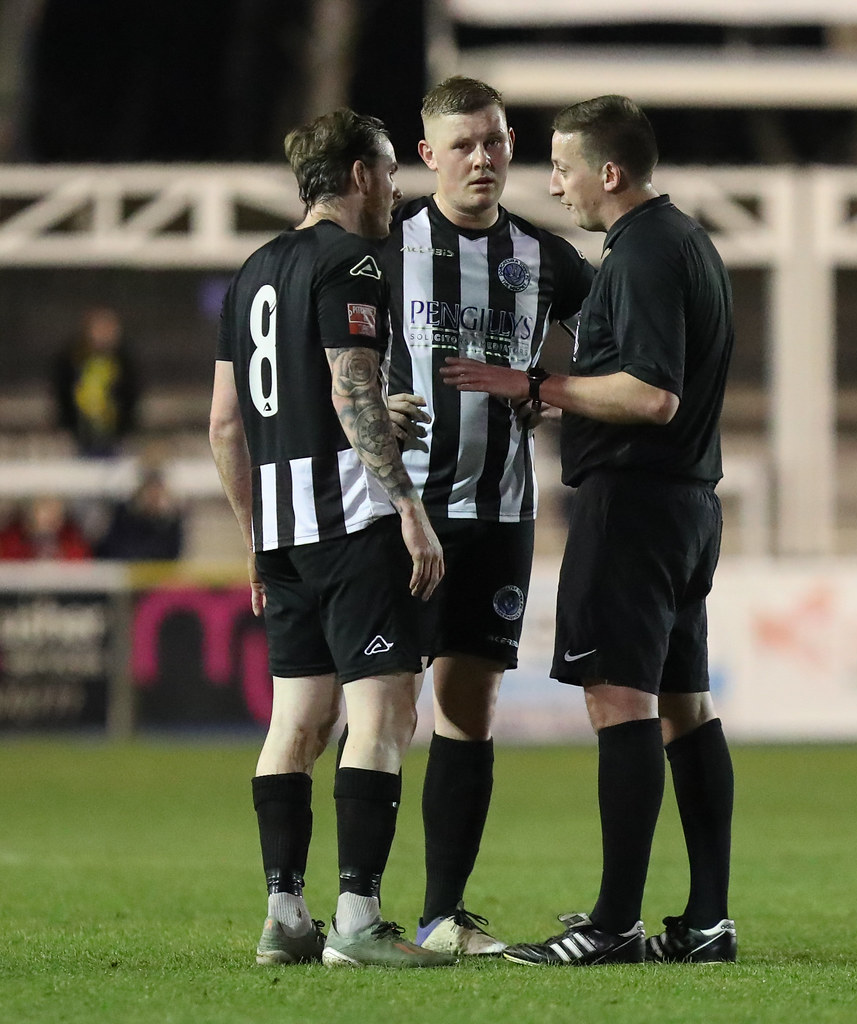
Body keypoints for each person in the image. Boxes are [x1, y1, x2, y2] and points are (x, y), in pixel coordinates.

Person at [441, 94, 737, 966]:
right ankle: (708, 921)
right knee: (686, 708)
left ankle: (613, 924)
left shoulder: (642, 252)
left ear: (609, 173)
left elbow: (649, 393)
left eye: (564, 166)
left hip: (635, 504)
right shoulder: (687, 241)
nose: (554, 183)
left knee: (622, 704)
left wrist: (532, 387)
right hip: (687, 507)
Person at [209, 107, 453, 969]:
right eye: (389, 170)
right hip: (350, 525)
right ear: (356, 175)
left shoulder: (250, 273)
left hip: (280, 533)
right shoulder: (349, 262)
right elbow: (354, 392)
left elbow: (226, 427)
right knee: (382, 713)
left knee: (297, 720)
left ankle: (284, 916)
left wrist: (253, 537)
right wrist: (411, 511)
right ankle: (356, 919)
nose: (396, 188)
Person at [368, 75, 595, 956]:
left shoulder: (545, 258)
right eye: (462, 143)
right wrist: (363, 405)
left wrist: (555, 392)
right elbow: (329, 351)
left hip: (500, 514)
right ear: (427, 156)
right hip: (401, 511)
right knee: (383, 708)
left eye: (496, 140)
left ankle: (440, 916)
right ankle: (358, 907)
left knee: (471, 704)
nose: (483, 158)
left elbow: (618, 340)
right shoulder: (383, 251)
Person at [52, 306, 140, 457]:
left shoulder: (123, 361)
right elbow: (63, 392)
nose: (105, 334)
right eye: (100, 328)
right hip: (80, 434)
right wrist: (66, 426)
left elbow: (131, 394)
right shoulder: (73, 358)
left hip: (115, 436)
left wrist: (127, 428)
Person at [94, 469, 184, 561]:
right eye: (150, 493)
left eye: (157, 494)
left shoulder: (169, 526)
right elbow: (112, 550)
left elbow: (171, 555)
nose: (153, 498)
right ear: (141, 493)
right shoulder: (123, 519)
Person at [0, 495, 92, 560]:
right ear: (29, 509)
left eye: (57, 504)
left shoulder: (73, 541)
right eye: (44, 504)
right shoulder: (10, 543)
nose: (52, 512)